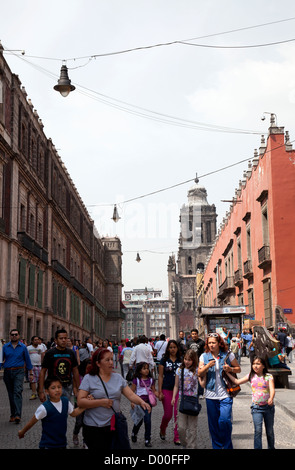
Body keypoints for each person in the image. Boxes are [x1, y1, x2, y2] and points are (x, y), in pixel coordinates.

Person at [77, 347, 151, 450]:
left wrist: (142, 402)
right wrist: (100, 402)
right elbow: (80, 401)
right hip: (93, 426)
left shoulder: (118, 378)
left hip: (113, 426)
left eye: (112, 359)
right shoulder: (89, 378)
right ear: (98, 363)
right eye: (107, 360)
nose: (111, 362)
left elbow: (130, 395)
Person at [198, 333, 241, 449]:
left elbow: (239, 369)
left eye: (214, 343)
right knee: (213, 426)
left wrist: (230, 368)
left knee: (225, 421)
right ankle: (217, 447)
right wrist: (207, 366)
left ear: (219, 343)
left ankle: (227, 446)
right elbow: (199, 373)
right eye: (209, 343)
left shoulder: (228, 355)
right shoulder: (204, 356)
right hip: (211, 395)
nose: (211, 345)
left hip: (226, 394)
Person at [18, 377, 86, 449]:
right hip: (48, 445)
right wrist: (22, 432)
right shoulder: (44, 408)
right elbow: (32, 422)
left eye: (59, 387)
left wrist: (86, 405)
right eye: (53, 388)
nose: (57, 390)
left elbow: (73, 413)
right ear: (47, 391)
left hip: (62, 443)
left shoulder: (65, 401)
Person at [225, 356, 275, 449]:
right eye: (254, 364)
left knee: (270, 431)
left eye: (258, 364)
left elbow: (272, 389)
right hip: (256, 408)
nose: (255, 366)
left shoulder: (268, 376)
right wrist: (227, 373)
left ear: (263, 366)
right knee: (258, 431)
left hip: (268, 408)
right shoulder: (251, 376)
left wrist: (271, 398)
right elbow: (237, 381)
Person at [38, 329, 80, 403]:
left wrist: (78, 388)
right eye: (61, 338)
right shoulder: (50, 353)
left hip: (67, 386)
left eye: (65, 338)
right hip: (53, 387)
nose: (63, 340)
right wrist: (41, 391)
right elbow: (43, 372)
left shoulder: (71, 353)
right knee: (54, 411)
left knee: (65, 410)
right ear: (56, 340)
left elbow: (75, 371)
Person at [2, 329, 33, 424]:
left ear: (19, 336)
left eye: (16, 334)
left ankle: (17, 415)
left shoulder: (23, 347)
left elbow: (27, 360)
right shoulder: (5, 347)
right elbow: (0, 359)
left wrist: (30, 373)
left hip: (19, 371)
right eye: (12, 334)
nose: (14, 336)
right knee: (11, 394)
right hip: (7, 372)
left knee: (17, 392)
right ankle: (12, 414)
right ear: (10, 336)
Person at [171, 349, 200, 449]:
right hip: (182, 400)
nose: (187, 362)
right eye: (185, 359)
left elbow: (202, 380)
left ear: (194, 360)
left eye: (189, 360)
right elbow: (176, 385)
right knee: (181, 428)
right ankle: (185, 444)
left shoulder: (197, 370)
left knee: (192, 429)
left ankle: (192, 447)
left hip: (193, 401)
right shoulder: (179, 370)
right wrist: (174, 397)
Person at [158, 339, 182, 445]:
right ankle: (163, 428)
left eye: (174, 347)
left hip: (178, 391)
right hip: (166, 389)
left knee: (177, 415)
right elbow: (160, 376)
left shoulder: (181, 360)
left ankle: (177, 437)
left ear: (177, 348)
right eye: (171, 347)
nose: (172, 349)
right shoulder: (164, 360)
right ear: (168, 348)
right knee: (168, 415)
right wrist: (159, 391)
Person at [130, 361, 158, 447]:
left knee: (147, 420)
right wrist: (132, 402)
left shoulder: (151, 380)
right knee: (139, 421)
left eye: (147, 368)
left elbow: (154, 391)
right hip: (138, 403)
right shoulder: (136, 380)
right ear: (139, 370)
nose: (146, 370)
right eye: (144, 368)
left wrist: (159, 395)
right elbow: (132, 392)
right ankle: (134, 433)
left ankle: (147, 439)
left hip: (148, 403)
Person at [27, 336, 44, 400]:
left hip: (39, 366)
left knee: (40, 381)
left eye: (37, 340)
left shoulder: (41, 347)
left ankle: (39, 391)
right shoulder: (28, 348)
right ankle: (33, 394)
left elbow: (42, 356)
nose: (36, 341)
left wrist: (43, 365)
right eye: (35, 340)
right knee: (33, 381)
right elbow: (27, 357)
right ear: (32, 341)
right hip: (31, 366)